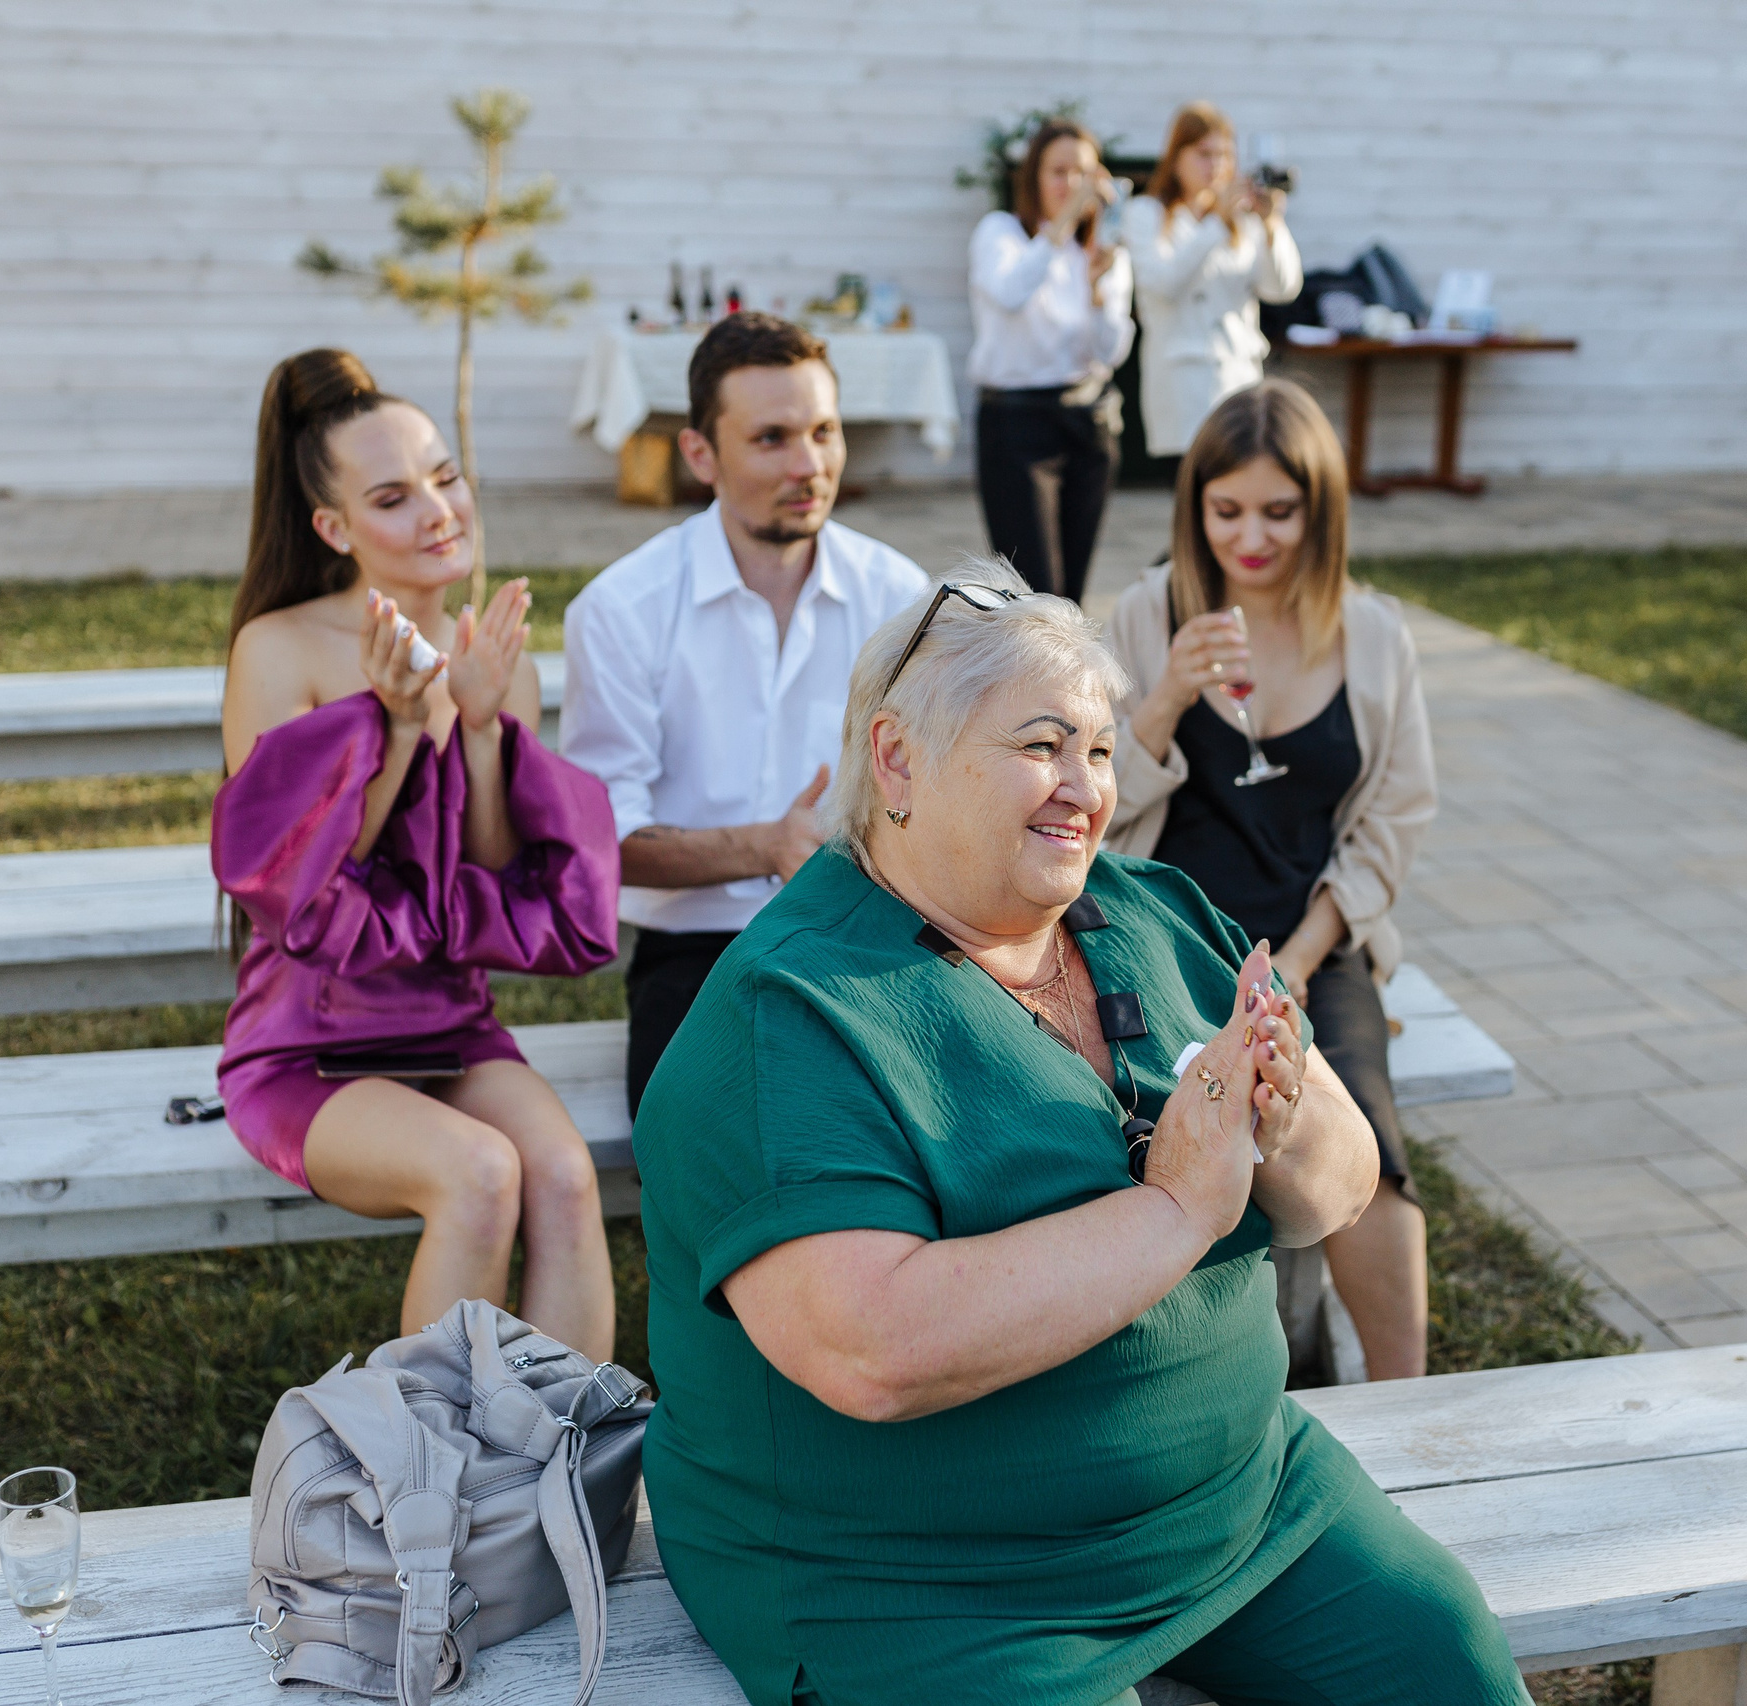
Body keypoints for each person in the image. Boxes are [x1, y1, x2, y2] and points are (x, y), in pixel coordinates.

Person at [632, 559, 1525, 1706]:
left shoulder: (1154, 912)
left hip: (1245, 1506)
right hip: (928, 1589)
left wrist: (1282, 1108)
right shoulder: (787, 1016)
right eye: (1041, 745)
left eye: (1099, 750)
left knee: (1449, 1660)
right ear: (897, 759)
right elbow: (872, 1348)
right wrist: (1176, 1207)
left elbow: (1338, 1190)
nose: (1083, 789)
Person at [214, 348, 622, 1348]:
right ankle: (436, 1475)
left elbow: (486, 879)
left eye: (445, 476)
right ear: (334, 527)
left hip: (449, 1021)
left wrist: (479, 726)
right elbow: (299, 893)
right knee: (480, 1173)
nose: (439, 510)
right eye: (394, 496)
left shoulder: (492, 662)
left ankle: (564, 1466)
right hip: (307, 1044)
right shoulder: (281, 649)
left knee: (565, 1174)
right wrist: (394, 728)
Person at [1104, 380, 1439, 1382]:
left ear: (1320, 511)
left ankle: (1406, 1404)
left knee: (1363, 1145)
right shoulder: (1148, 610)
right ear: (1194, 507)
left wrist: (1297, 957)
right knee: (1139, 1139)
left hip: (1311, 941)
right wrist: (1165, 695)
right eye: (1226, 510)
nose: (1251, 537)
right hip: (1161, 933)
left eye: (1279, 512)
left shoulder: (1369, 634)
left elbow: (1395, 815)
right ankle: (1187, 1379)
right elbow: (1087, 800)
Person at [561, 312, 927, 1116]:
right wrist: (767, 845)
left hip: (869, 927)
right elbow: (602, 841)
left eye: (825, 432)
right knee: (713, 1146)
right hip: (696, 947)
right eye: (772, 438)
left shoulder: (898, 594)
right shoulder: (622, 609)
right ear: (701, 454)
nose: (810, 465)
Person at [968, 118, 1135, 602]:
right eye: (1058, 171)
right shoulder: (1001, 233)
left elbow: (1111, 352)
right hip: (1016, 425)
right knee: (1033, 594)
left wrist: (1100, 291)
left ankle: (1069, 680)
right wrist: (1061, 229)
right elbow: (1009, 292)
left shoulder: (1102, 253)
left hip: (1087, 420)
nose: (1071, 185)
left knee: (1072, 595)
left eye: (1082, 173)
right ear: (1034, 177)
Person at [1123, 102, 1303, 459]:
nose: (1216, 166)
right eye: (1204, 154)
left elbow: (1281, 289)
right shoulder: (1147, 214)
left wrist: (1272, 227)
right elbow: (1163, 283)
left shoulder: (1244, 220)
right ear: (1176, 158)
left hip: (1239, 378)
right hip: (1183, 382)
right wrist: (1216, 223)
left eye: (1224, 155)